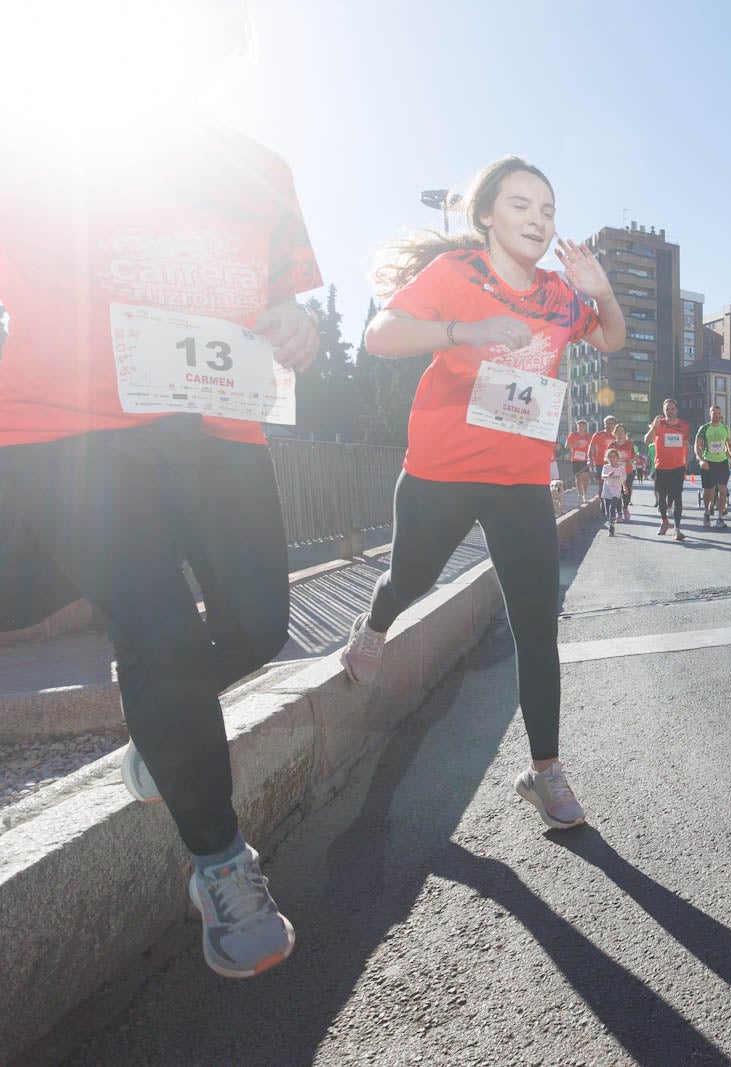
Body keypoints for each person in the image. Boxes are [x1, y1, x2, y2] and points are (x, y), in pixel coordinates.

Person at [0, 1, 322, 978]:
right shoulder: (41, 138)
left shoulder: (263, 170)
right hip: (74, 434)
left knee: (262, 624)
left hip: (217, 424)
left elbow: (283, 303)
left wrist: (295, 328)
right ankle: (222, 865)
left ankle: (162, 724)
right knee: (159, 632)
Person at [339, 155, 624, 832]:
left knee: (536, 623)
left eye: (548, 210)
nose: (538, 219)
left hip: (519, 479)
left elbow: (610, 339)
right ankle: (374, 625)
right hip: (442, 468)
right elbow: (381, 335)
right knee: (410, 578)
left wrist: (603, 292)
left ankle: (546, 770)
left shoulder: (560, 293)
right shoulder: (458, 275)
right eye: (522, 205)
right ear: (489, 215)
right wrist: (463, 331)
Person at [645, 398, 692, 541]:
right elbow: (647, 441)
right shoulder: (659, 423)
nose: (670, 411)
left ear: (676, 410)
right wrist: (654, 427)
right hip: (661, 466)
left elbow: (686, 444)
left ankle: (677, 528)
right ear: (664, 411)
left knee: (678, 497)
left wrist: (686, 462)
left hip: (677, 467)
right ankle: (665, 521)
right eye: (667, 409)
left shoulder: (684, 425)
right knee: (661, 498)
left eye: (672, 409)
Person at [695, 404, 731, 528]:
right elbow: (697, 446)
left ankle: (720, 517)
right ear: (710, 414)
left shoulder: (725, 428)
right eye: (714, 413)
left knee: (723, 490)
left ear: (720, 415)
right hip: (708, 462)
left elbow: (729, 444)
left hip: (722, 462)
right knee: (709, 492)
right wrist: (701, 460)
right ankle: (707, 511)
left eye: (718, 413)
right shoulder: (704, 428)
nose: (716, 416)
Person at [612, 423, 638, 520]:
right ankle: (619, 513)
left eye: (622, 430)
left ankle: (625, 507)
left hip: (627, 470)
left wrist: (631, 460)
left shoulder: (629, 444)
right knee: (618, 492)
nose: (620, 432)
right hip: (616, 471)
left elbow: (634, 456)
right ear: (615, 433)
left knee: (626, 490)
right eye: (618, 431)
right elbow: (607, 457)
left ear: (625, 433)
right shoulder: (612, 445)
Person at [565, 419, 595, 502]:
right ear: (577, 426)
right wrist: (575, 444)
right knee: (578, 478)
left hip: (586, 458)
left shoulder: (589, 436)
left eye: (583, 426)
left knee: (585, 477)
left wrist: (592, 457)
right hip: (576, 459)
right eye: (579, 426)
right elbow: (566, 446)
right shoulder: (572, 435)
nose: (581, 427)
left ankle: (585, 493)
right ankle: (580, 494)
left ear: (585, 427)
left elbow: (592, 447)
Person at [600, 447, 626, 535]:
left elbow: (623, 479)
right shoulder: (606, 467)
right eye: (610, 457)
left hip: (616, 491)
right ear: (607, 458)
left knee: (612, 508)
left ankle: (612, 522)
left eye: (614, 456)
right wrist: (608, 475)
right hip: (607, 491)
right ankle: (611, 524)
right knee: (608, 512)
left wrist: (625, 488)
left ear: (617, 458)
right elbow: (602, 476)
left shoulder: (621, 468)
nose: (612, 458)